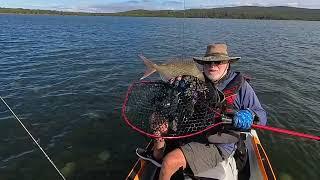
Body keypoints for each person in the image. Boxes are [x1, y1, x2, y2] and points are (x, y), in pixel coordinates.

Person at [153, 43, 267, 180]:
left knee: (169, 162)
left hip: (217, 144)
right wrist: (176, 84)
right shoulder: (194, 79)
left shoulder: (241, 87)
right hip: (190, 133)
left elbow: (262, 116)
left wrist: (250, 115)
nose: (212, 66)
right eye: (208, 63)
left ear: (228, 64)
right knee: (157, 138)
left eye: (218, 62)